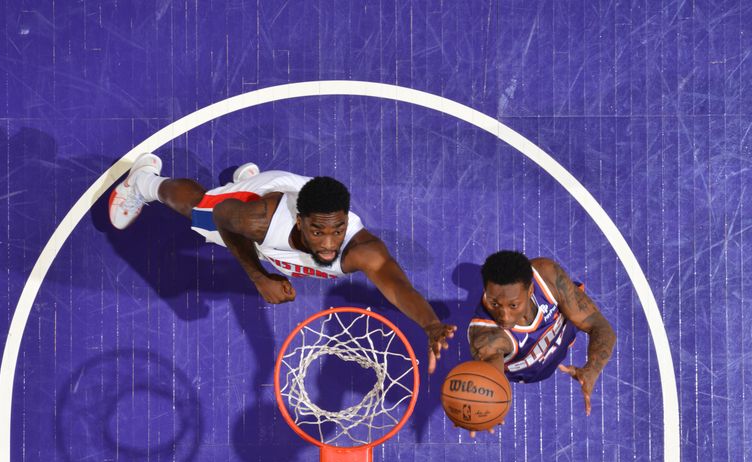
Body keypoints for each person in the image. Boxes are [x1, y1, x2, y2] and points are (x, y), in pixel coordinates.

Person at [108, 153, 456, 373]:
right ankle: (144, 180)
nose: (329, 243)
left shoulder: (361, 249)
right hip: (248, 211)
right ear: (301, 221)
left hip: (269, 227)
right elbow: (223, 217)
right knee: (199, 210)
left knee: (241, 224)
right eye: (318, 232)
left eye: (338, 230)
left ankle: (241, 185)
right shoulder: (259, 220)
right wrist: (259, 278)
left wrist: (430, 325)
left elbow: (398, 287)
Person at [467, 250, 616, 435]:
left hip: (561, 338)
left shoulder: (547, 277)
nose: (504, 316)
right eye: (494, 303)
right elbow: (492, 375)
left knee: (575, 311)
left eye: (513, 305)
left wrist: (592, 369)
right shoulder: (487, 336)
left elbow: (601, 327)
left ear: (530, 290)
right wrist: (486, 402)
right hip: (531, 370)